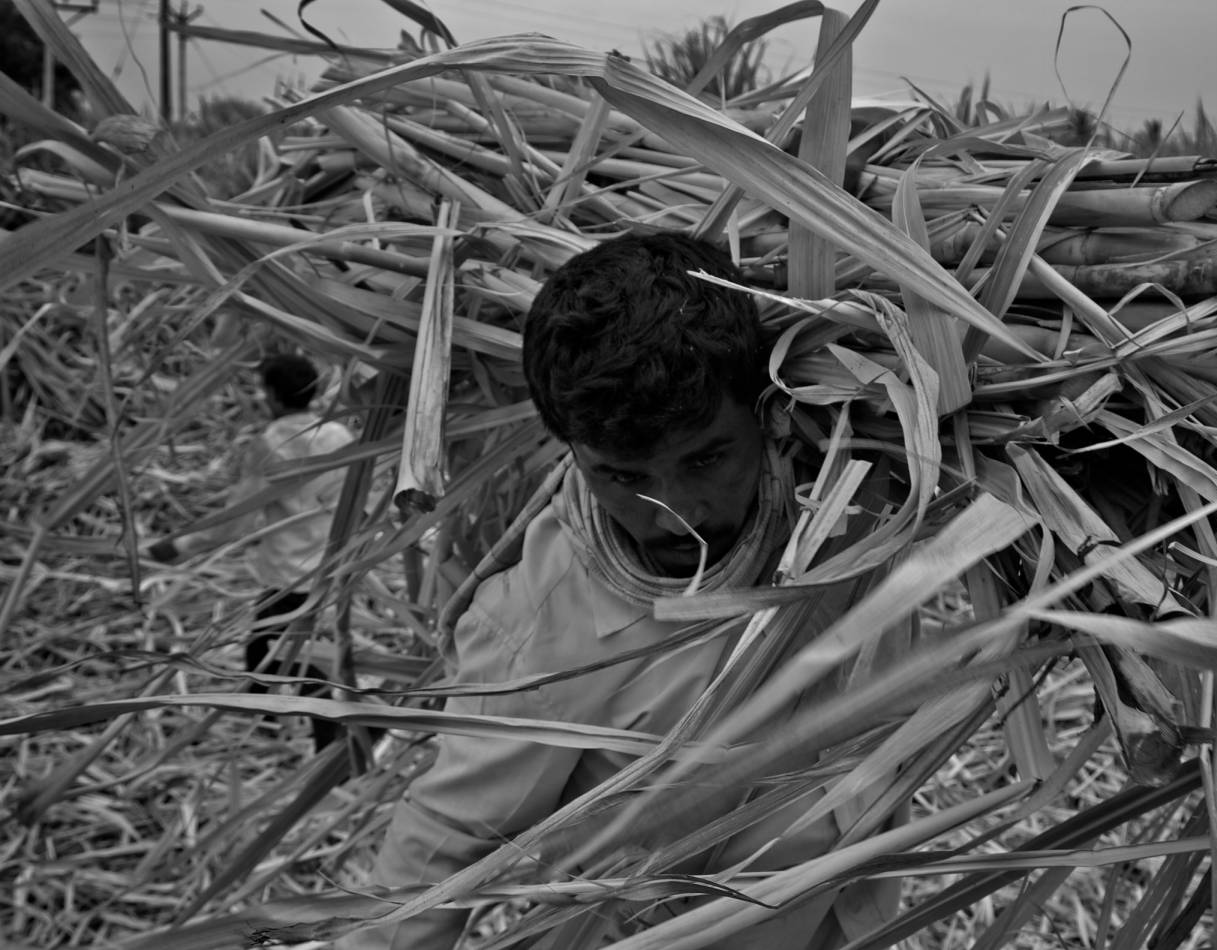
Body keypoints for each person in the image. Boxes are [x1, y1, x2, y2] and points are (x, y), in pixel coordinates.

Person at [335, 232, 904, 949]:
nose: (680, 512)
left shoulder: (860, 490)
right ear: (572, 450)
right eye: (625, 477)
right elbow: (439, 851)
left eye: (706, 457)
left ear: (767, 411)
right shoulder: (537, 632)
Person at [149, 352, 356, 749]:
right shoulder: (341, 437)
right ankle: (264, 725)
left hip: (290, 570)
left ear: (274, 396)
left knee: (289, 655)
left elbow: (235, 522)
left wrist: (178, 546)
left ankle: (328, 746)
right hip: (333, 564)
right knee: (265, 643)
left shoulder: (272, 445)